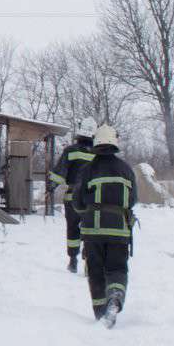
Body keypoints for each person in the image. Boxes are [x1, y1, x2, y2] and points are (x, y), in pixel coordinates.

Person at [78, 124, 138, 327]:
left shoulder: (88, 169)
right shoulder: (126, 170)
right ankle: (115, 297)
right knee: (117, 268)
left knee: (95, 270)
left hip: (93, 231)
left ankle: (100, 313)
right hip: (119, 230)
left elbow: (77, 201)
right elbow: (132, 200)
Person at [49, 120, 97, 273]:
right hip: (92, 200)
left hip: (72, 197)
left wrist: (51, 186)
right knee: (90, 230)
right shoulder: (98, 154)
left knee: (72, 229)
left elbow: (60, 172)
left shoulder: (71, 151)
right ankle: (89, 259)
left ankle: (73, 260)